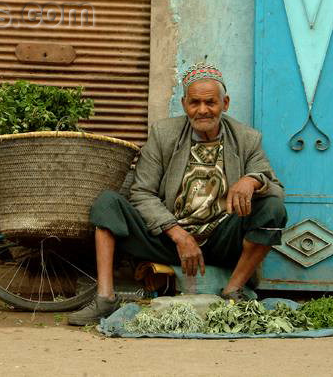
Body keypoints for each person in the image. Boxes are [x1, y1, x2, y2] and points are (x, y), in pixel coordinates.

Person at [68, 63, 287, 326]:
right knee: (108, 204)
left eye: (211, 102)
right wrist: (178, 234)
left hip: (222, 239)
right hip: (169, 240)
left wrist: (252, 180)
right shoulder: (164, 134)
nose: (203, 110)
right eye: (195, 102)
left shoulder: (246, 138)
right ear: (184, 104)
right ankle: (105, 297)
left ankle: (233, 290)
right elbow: (142, 192)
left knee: (272, 207)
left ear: (225, 103)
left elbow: (275, 188)